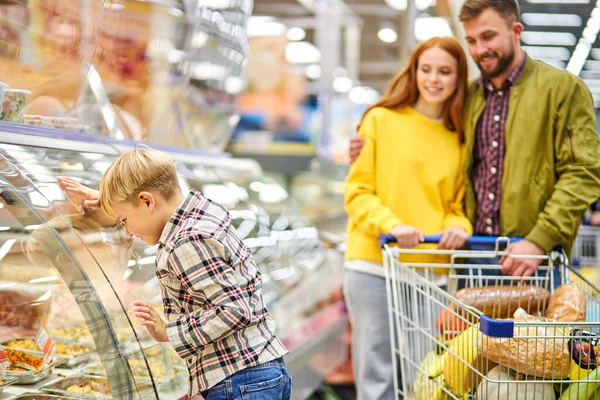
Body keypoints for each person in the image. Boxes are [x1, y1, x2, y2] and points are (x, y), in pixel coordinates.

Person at [349, 0, 600, 277]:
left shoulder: (562, 89)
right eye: (471, 40)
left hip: (532, 258)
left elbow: (583, 171)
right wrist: (368, 145)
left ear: (516, 31)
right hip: (469, 257)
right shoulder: (465, 99)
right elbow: (423, 139)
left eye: (489, 36)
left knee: (533, 323)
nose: (480, 49)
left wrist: (540, 239)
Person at [60, 149, 290, 400]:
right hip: (257, 372)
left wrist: (168, 331)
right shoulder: (201, 213)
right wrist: (115, 200)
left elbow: (234, 310)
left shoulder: (186, 242)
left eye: (123, 219)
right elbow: (147, 196)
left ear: (147, 201)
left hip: (240, 382)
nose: (126, 232)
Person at [344, 36, 472, 400]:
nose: (434, 79)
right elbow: (358, 192)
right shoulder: (380, 120)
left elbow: (456, 206)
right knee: (377, 374)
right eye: (425, 69)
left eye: (444, 72)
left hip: (429, 270)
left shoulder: (458, 138)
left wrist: (456, 229)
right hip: (374, 265)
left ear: (458, 78)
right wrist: (393, 225)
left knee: (427, 375)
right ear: (413, 72)